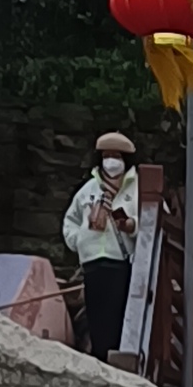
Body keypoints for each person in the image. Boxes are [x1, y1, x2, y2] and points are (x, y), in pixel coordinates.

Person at [59, 132, 140, 359]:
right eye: (106, 156)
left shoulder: (137, 190)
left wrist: (131, 225)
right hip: (93, 262)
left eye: (116, 156)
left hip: (121, 262)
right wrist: (80, 241)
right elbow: (70, 221)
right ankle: (100, 358)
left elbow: (154, 220)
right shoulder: (88, 190)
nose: (111, 161)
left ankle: (116, 359)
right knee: (96, 318)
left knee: (119, 317)